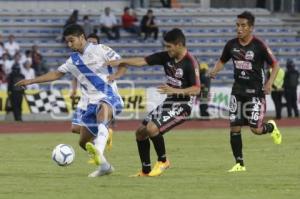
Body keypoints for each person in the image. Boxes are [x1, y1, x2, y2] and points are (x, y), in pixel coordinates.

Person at [16, 24, 127, 177]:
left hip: (110, 96)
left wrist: (116, 75)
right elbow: (56, 74)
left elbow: (122, 63)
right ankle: (105, 167)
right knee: (83, 142)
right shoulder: (72, 60)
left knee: (103, 110)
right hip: (90, 102)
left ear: (82, 37)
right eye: (67, 42)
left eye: (71, 40)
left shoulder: (101, 49)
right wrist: (31, 81)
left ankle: (100, 150)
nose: (69, 44)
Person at [108, 28, 201, 177]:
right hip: (169, 102)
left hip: (183, 105)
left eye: (169, 46)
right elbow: (143, 61)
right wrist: (122, 61)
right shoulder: (166, 57)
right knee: (140, 132)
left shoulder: (191, 62)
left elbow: (197, 89)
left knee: (152, 128)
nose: (167, 49)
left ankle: (163, 161)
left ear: (178, 44)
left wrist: (175, 91)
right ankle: (145, 171)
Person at [209, 11, 282, 172]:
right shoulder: (231, 45)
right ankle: (239, 164)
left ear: (251, 28)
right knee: (234, 126)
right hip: (237, 91)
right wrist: (215, 71)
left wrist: (269, 83)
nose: (239, 29)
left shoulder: (259, 45)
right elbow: (222, 60)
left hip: (255, 92)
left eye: (243, 26)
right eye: (237, 25)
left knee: (255, 129)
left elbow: (275, 65)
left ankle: (270, 127)